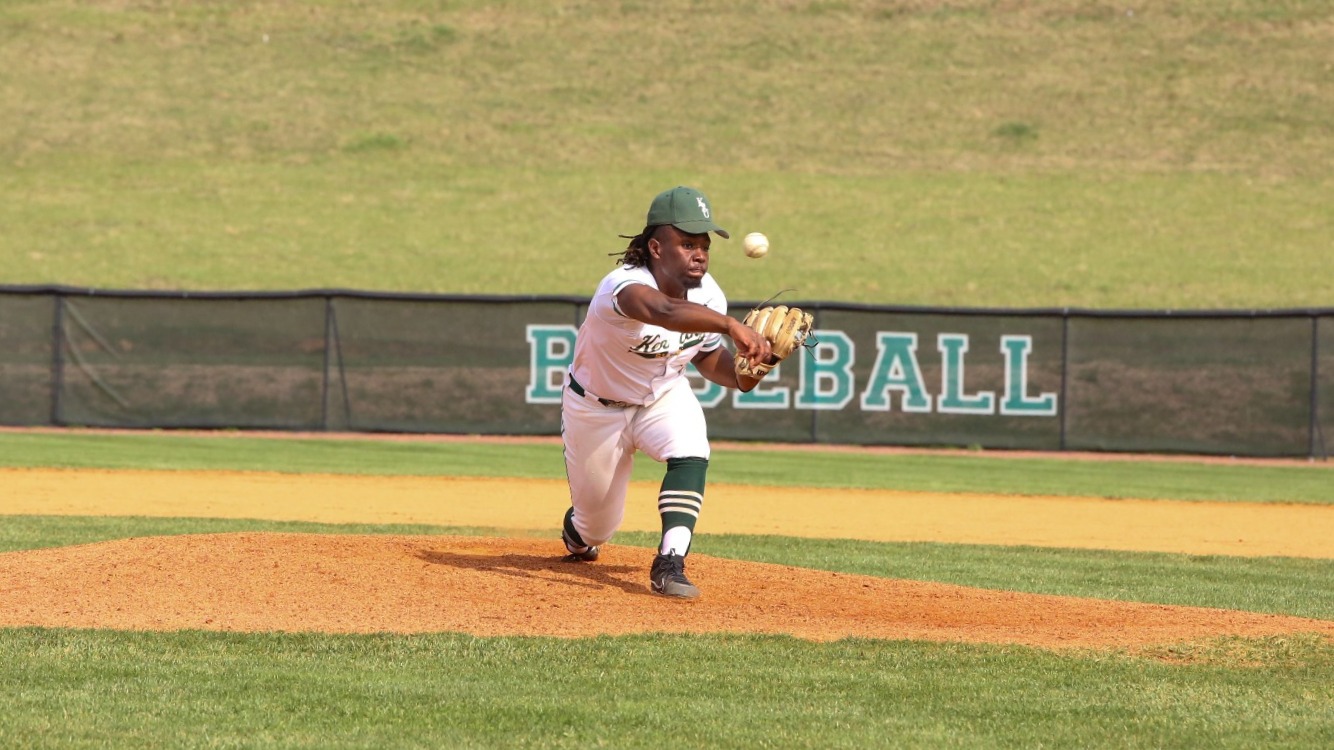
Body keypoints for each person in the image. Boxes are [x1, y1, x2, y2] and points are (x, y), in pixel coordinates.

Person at [558, 186, 774, 599]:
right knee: (597, 526)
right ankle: (578, 532)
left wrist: (756, 367)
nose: (700, 254)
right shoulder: (622, 287)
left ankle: (670, 562)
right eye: (688, 243)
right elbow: (663, 312)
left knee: (692, 447)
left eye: (705, 245)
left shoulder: (708, 293)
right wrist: (730, 325)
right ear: (656, 247)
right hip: (596, 407)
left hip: (661, 396)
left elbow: (713, 363)